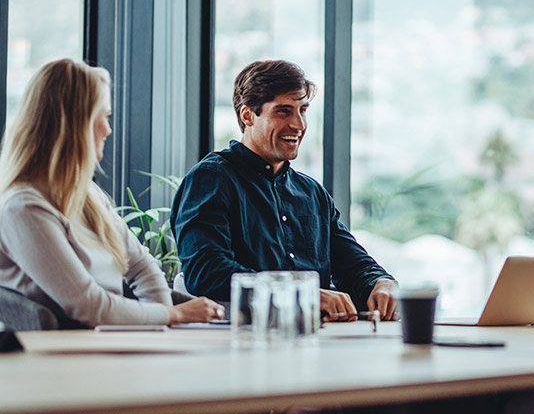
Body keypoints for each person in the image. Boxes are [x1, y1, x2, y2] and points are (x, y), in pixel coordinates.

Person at [0, 59, 224, 327]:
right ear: (74, 124)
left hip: (107, 342)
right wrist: (173, 314)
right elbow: (88, 305)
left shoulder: (86, 194)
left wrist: (162, 324)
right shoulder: (23, 209)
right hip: (63, 355)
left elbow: (142, 266)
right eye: (103, 117)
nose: (108, 129)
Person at [171, 60, 399, 320]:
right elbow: (206, 272)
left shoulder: (312, 192)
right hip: (240, 342)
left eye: (303, 110)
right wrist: (302, 293)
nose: (299, 124)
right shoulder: (211, 179)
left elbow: (352, 263)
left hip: (318, 340)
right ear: (248, 116)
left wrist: (381, 281)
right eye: (283, 111)